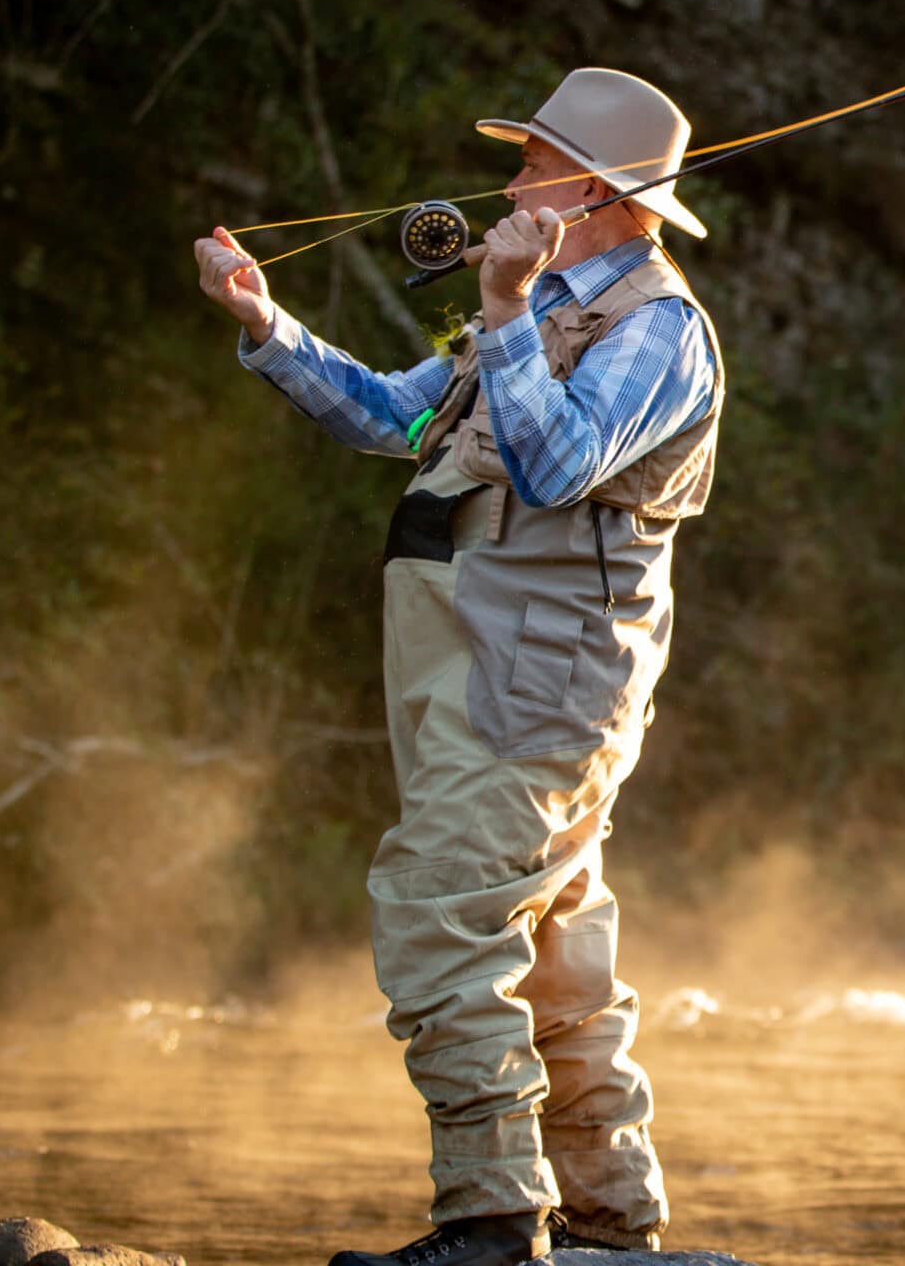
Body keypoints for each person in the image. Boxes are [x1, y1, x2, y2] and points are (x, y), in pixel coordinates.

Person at [192, 69, 723, 1266]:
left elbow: (556, 465)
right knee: (551, 955)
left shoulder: (659, 328)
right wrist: (262, 322)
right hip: (483, 670)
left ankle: (490, 1222)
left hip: (538, 684)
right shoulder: (534, 317)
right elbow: (389, 415)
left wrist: (502, 302)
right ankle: (612, 1229)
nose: (508, 181)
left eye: (529, 164)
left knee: (436, 913)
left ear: (584, 186)